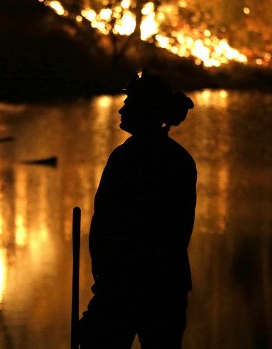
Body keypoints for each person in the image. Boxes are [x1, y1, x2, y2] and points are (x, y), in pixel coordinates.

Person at [78, 69, 197, 349]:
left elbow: (108, 223)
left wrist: (108, 281)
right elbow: (180, 233)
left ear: (146, 110)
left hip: (124, 287)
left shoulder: (126, 158)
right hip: (165, 287)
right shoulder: (180, 160)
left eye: (129, 103)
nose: (121, 109)